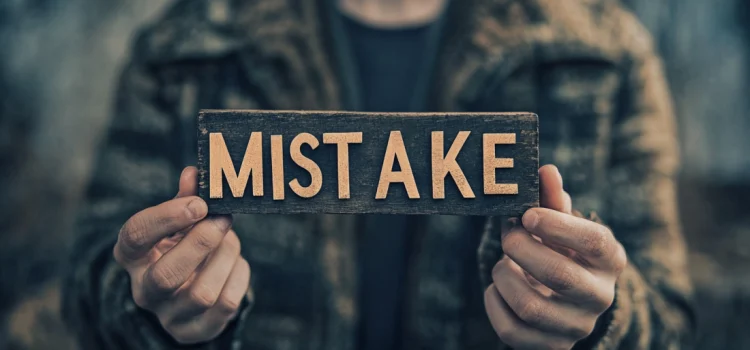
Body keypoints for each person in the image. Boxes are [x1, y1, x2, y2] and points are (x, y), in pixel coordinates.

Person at [63, 0, 694, 349]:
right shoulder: (186, 45)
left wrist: (603, 317)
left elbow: (669, 318)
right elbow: (88, 286)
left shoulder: (602, 50)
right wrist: (149, 308)